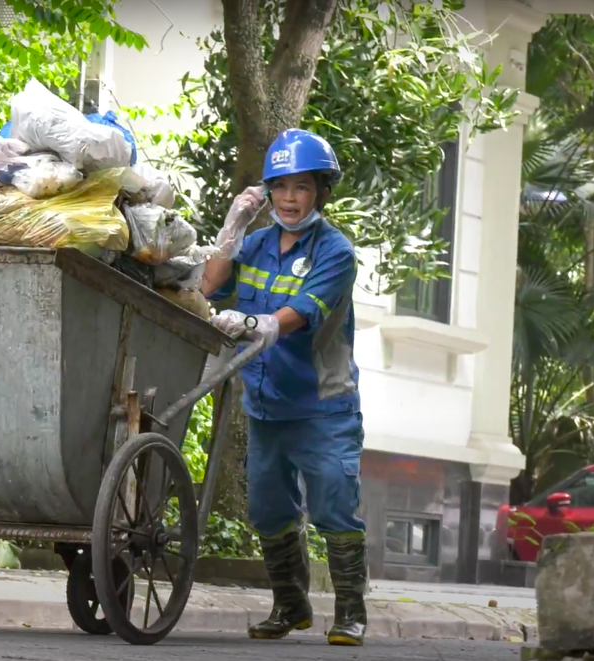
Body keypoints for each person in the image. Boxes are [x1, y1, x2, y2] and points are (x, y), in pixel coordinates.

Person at [201, 128, 368, 646]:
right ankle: (290, 605)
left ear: (320, 191)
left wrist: (260, 324)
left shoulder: (335, 251)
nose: (290, 199)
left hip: (322, 406)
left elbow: (300, 315)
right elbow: (208, 286)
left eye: (302, 187)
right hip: (266, 403)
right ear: (269, 191)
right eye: (281, 187)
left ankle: (349, 612)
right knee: (268, 510)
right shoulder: (256, 243)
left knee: (333, 506)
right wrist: (233, 224)